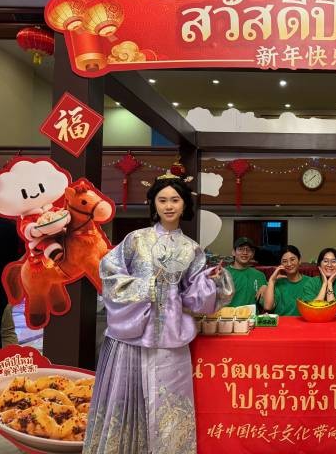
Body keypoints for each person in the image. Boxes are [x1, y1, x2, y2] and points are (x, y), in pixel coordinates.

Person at [84, 174, 232, 454]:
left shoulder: (191, 248)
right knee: (127, 400)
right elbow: (110, 275)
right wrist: (147, 287)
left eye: (175, 200)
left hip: (171, 337)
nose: (168, 206)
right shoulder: (135, 240)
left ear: (184, 204)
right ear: (153, 204)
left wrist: (210, 280)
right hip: (131, 335)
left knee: (171, 403)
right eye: (162, 200)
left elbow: (192, 297)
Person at [261, 245, 312, 315]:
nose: (289, 264)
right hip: (281, 321)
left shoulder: (310, 282)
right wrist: (271, 281)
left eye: (292, 259)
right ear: (281, 264)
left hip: (304, 321)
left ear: (299, 260)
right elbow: (267, 307)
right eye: (284, 261)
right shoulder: (278, 283)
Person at [303, 247, 336, 314]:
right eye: (325, 261)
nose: (329, 265)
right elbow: (313, 310)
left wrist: (329, 283)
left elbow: (334, 311)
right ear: (319, 265)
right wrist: (324, 284)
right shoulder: (311, 283)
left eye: (333, 261)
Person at [226, 237, 267, 307]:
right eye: (240, 249)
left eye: (248, 250)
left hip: (251, 313)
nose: (245, 253)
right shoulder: (223, 273)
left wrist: (267, 287)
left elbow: (265, 304)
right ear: (233, 252)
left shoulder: (259, 275)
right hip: (227, 313)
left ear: (253, 254)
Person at [0, 218, 21, 348]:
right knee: (7, 330)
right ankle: (12, 359)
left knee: (6, 330)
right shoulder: (11, 227)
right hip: (7, 286)